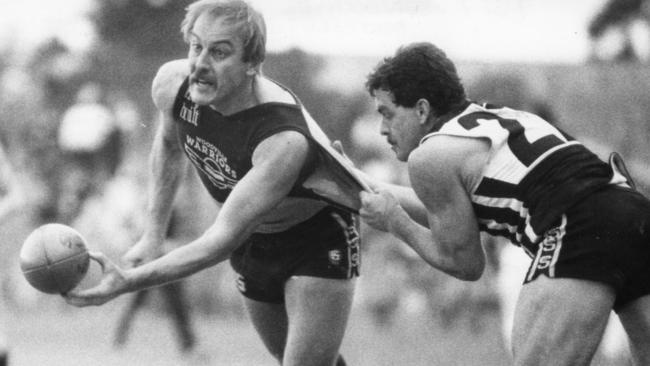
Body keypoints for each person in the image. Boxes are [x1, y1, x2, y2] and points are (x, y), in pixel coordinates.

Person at [64, 1, 361, 366]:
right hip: (254, 241)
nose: (200, 63)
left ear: (252, 64)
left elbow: (218, 242)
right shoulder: (174, 86)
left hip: (314, 237)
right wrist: (153, 233)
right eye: (196, 46)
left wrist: (128, 280)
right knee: (289, 356)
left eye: (219, 52)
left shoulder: (282, 137)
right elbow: (169, 145)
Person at [358, 42, 650, 365]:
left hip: (579, 224)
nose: (383, 129)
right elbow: (448, 211)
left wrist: (394, 223)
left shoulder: (428, 157)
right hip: (634, 212)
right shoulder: (499, 118)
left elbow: (466, 264)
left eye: (387, 114)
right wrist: (364, 183)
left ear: (422, 110)